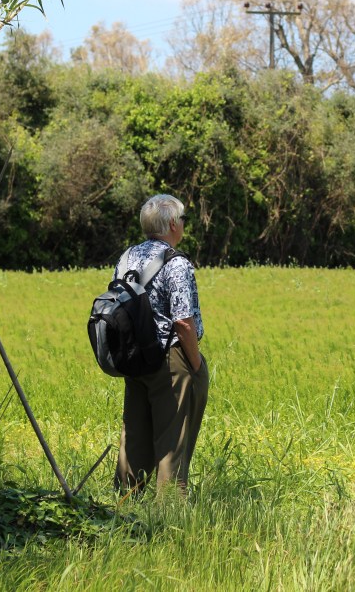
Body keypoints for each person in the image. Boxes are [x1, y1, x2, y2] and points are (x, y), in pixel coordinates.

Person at [113, 194, 208, 495]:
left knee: (134, 435)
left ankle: (123, 502)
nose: (184, 224)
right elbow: (183, 322)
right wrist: (195, 365)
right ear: (172, 224)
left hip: (134, 357)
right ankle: (170, 509)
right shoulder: (176, 263)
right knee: (172, 440)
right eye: (183, 219)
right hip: (170, 359)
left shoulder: (127, 258)